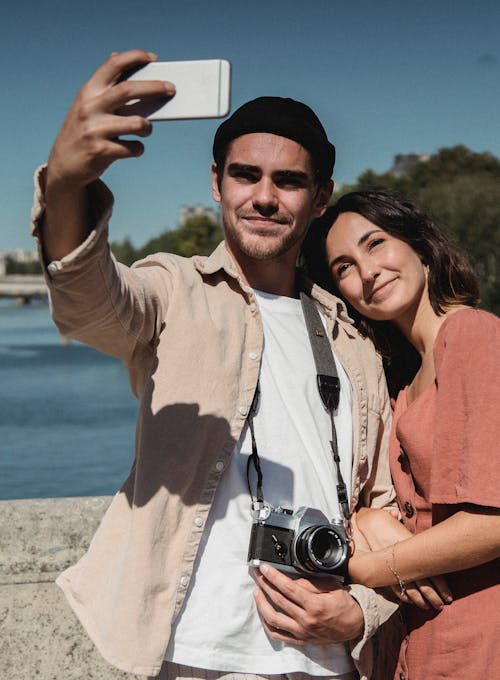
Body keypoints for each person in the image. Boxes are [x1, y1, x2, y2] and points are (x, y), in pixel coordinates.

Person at [31, 49, 398, 680]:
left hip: (329, 659)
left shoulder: (355, 332)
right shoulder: (174, 289)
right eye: (244, 175)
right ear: (215, 183)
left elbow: (387, 504)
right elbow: (90, 304)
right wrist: (67, 186)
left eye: (288, 181)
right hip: (194, 654)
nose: (263, 197)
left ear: (319, 199)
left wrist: (360, 613)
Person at [301, 189, 500, 680]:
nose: (366, 272)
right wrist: (368, 516)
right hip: (415, 643)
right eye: (343, 267)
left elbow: (491, 520)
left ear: (420, 246)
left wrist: (368, 568)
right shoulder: (402, 384)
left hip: (481, 639)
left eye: (375, 244)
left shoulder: (472, 333)